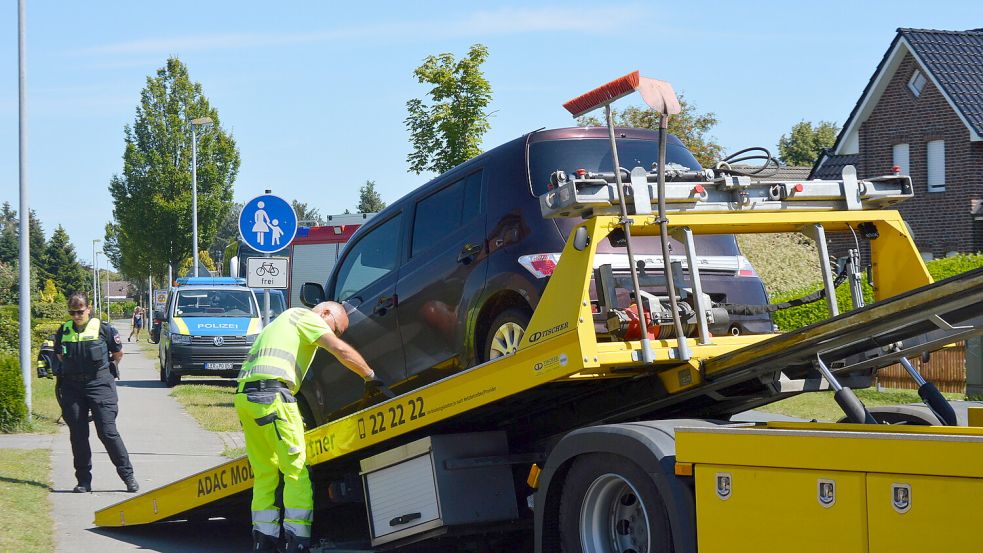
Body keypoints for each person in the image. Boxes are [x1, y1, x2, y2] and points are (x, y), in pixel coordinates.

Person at [235, 301, 386, 553]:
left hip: (245, 398)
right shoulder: (305, 317)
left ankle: (264, 541)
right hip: (273, 398)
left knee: (265, 473)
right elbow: (339, 350)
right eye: (336, 328)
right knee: (296, 470)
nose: (334, 335)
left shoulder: (280, 322)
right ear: (325, 313)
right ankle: (298, 542)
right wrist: (371, 377)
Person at [54, 293, 139, 493]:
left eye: (80, 311)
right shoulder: (63, 330)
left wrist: (104, 373)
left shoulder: (104, 329)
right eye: (72, 312)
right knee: (78, 435)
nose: (76, 316)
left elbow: (118, 354)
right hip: (72, 387)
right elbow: (60, 355)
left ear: (88, 309)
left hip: (99, 385)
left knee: (107, 432)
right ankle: (83, 481)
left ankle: (128, 477)